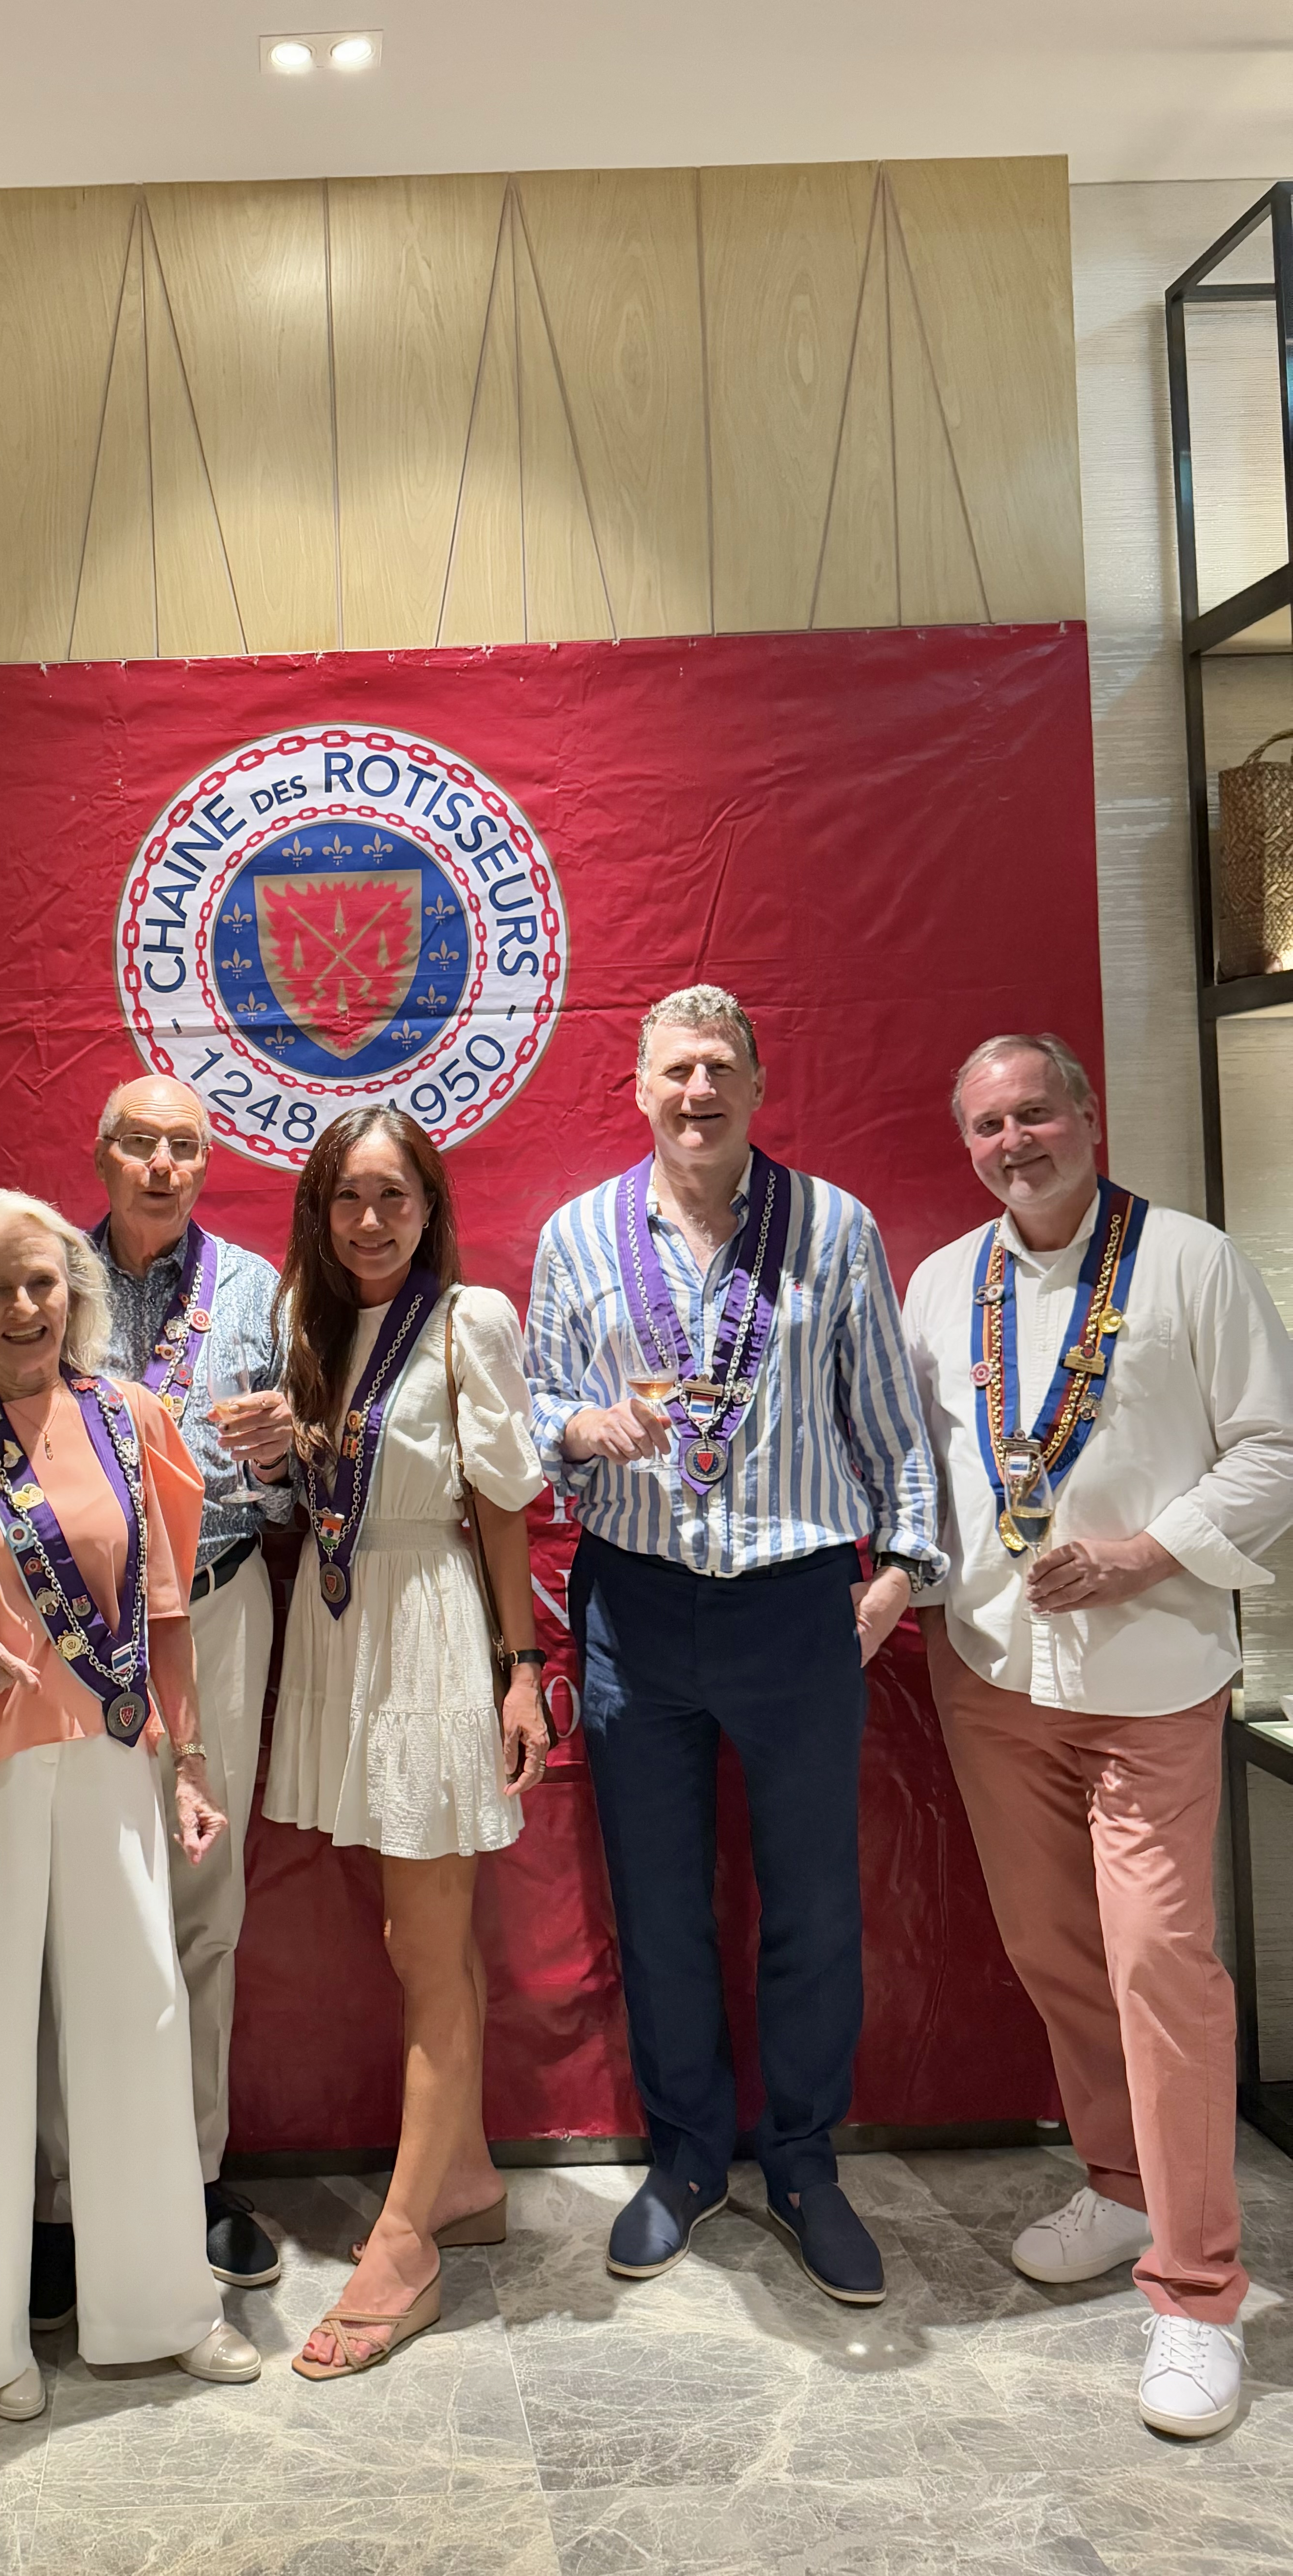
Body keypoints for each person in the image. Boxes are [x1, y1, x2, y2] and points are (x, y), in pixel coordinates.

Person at [525, 984, 941, 2308]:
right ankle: (688, 2158)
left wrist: (905, 1571)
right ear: (638, 1090)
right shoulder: (578, 1234)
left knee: (813, 1904)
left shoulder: (832, 1227)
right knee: (658, 1906)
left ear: (757, 1087)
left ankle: (805, 2164)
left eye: (719, 1069)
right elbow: (532, 1406)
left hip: (796, 1602)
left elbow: (886, 1417)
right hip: (634, 1610)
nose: (697, 1092)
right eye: (674, 1071)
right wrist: (579, 1429)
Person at [903, 1033, 1293, 2439]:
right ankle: (1122, 2185)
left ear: (1087, 1117)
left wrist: (1144, 1554)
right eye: (987, 1125)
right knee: (1057, 1955)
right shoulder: (940, 1285)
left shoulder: (1188, 1261)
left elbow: (1275, 1446)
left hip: (1150, 1676)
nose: (1014, 1142)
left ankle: (1197, 2294)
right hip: (993, 1674)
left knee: (1159, 1968)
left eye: (1035, 1113)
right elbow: (919, 1471)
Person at [0, 1190, 259, 2418]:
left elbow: (168, 1612)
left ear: (75, 1298)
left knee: (141, 2022)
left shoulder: (135, 1420)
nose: (26, 1307)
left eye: (45, 1284)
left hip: (113, 1758)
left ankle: (163, 2310)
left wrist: (188, 1763)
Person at [265, 1106, 552, 2379]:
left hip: (428, 1627)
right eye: (347, 1198)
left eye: (393, 1196)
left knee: (428, 1948)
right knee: (409, 1935)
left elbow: (501, 1508)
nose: (370, 1221)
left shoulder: (465, 1322)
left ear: (430, 1207)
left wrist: (522, 1671)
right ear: (319, 1214)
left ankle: (404, 2245)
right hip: (342, 1625)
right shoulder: (308, 1323)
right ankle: (467, 2180)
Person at [79, 1076, 295, 2294]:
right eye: (141, 1144)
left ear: (208, 1164)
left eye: (186, 1148)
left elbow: (298, 1487)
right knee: (79, 1896)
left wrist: (279, 1457)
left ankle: (197, 2171)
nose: (164, 1166)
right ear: (102, 1154)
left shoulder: (256, 1288)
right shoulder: (49, 1275)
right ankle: (73, 2187)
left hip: (215, 1601)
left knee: (207, 1898)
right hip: (75, 1626)